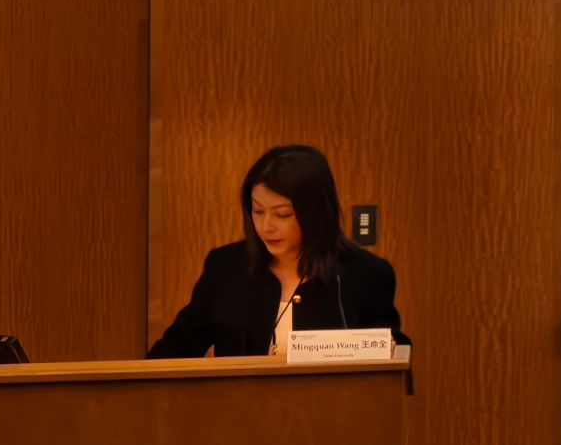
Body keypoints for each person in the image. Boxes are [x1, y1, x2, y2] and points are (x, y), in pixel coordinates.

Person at [149, 144, 406, 358]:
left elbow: (391, 357)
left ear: (315, 214)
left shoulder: (366, 274)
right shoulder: (226, 267)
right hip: (241, 405)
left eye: (282, 214)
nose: (266, 226)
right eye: (258, 211)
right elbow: (175, 349)